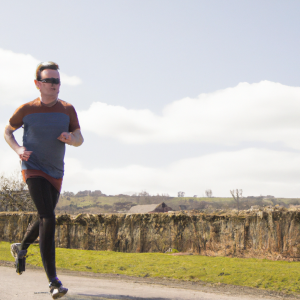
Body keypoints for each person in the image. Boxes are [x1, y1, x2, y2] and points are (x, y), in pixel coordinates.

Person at [4, 61, 84, 299]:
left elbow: (80, 138)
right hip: (33, 168)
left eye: (57, 81)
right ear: (38, 84)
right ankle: (54, 281)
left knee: (43, 216)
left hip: (56, 171)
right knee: (48, 217)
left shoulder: (67, 109)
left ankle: (22, 247)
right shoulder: (26, 109)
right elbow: (7, 131)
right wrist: (18, 150)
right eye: (49, 80)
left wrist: (71, 138)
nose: (54, 85)